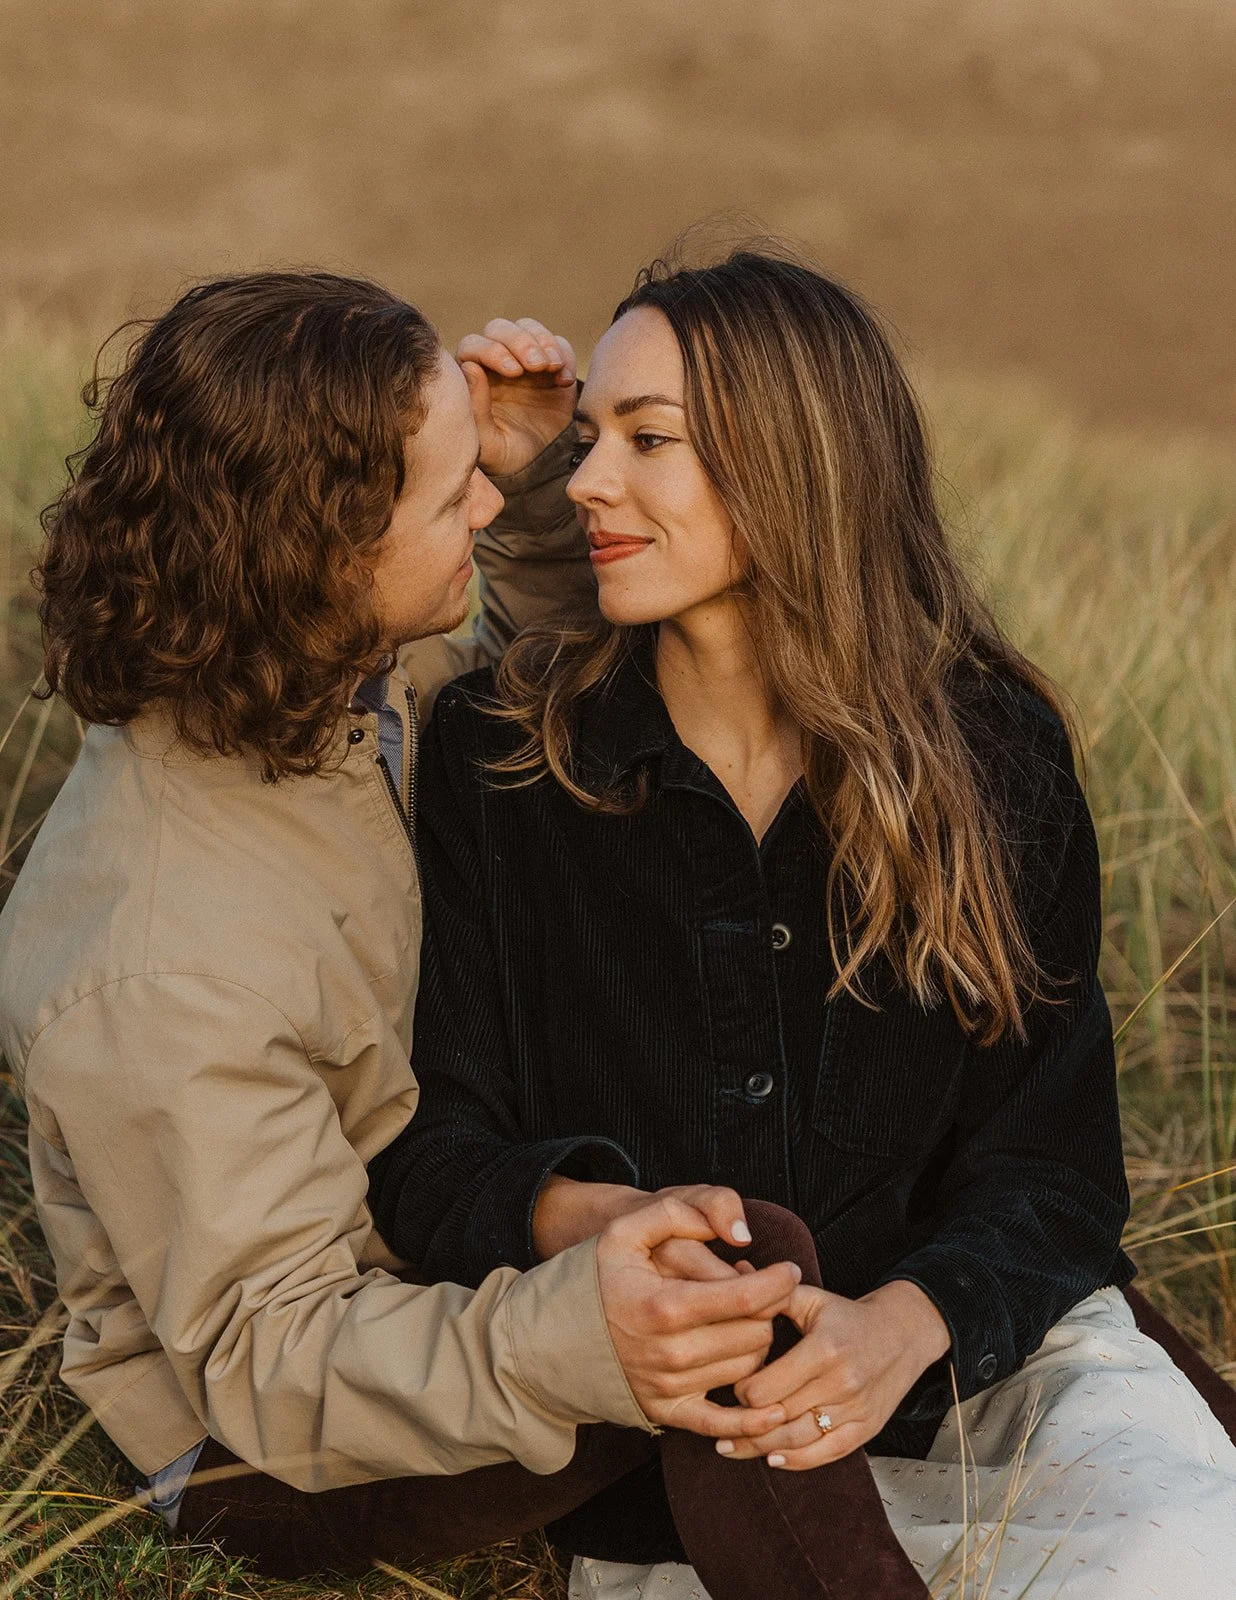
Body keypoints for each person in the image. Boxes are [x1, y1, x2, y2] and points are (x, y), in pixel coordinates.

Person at [368, 250, 1236, 1599]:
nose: (586, 481)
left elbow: (1053, 1170)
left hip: (984, 1375)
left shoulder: (992, 754)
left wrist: (905, 1323)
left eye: (649, 442)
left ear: (795, 466)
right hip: (675, 1431)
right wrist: (598, 1224)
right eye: (592, 438)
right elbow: (432, 1150)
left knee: (1181, 1559)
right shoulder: (502, 759)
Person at [0, 271, 812, 1581]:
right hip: (277, 1448)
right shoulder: (154, 966)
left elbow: (545, 719)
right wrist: (578, 1338)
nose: (485, 508)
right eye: (454, 500)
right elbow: (272, 1372)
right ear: (324, 556)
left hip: (439, 1184)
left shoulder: (310, 673)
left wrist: (536, 482)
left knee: (801, 1162)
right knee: (743, 1282)